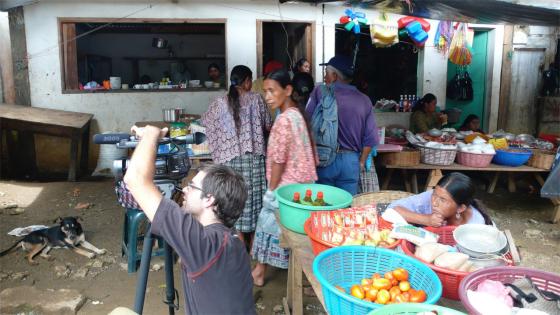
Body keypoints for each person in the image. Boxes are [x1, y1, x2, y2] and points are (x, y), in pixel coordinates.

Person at [123, 126, 255, 314]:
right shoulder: (231, 240)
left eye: (192, 186)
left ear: (210, 200)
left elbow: (135, 179)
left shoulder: (204, 243)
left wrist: (151, 134)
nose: (184, 190)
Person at [251, 70, 317, 286]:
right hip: (303, 189)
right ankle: (266, 272)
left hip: (285, 190)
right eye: (265, 91)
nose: (268, 96)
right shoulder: (297, 115)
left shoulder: (282, 121)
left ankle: (260, 272)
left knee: (266, 225)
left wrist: (271, 190)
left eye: (272, 90)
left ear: (287, 90)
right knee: (299, 235)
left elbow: (278, 160)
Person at [201, 65, 272, 247]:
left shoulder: (220, 102)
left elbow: (207, 124)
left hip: (230, 162)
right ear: (247, 81)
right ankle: (256, 246)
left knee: (236, 199)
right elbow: (268, 126)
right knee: (256, 202)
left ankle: (240, 245)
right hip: (254, 161)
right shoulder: (256, 100)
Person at [306, 55, 379, 196]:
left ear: (334, 76)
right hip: (351, 162)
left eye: (326, 73)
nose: (325, 77)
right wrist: (362, 162)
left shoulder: (320, 92)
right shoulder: (365, 100)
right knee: (345, 209)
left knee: (324, 206)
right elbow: (371, 139)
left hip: (324, 158)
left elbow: (306, 122)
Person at [387, 172, 492, 227]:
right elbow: (392, 209)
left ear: (460, 208)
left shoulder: (476, 224)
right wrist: (426, 219)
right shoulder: (433, 196)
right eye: (434, 194)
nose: (434, 203)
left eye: (443, 200)